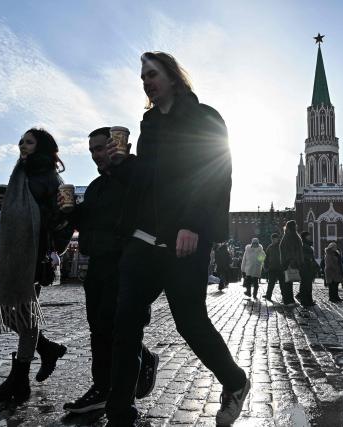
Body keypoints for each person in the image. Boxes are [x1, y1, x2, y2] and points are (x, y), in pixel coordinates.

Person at [105, 52, 249, 426]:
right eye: (142, 77)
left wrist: (192, 224)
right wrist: (120, 167)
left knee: (190, 321)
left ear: (172, 76)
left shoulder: (205, 118)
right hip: (143, 240)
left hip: (184, 239)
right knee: (125, 325)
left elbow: (214, 171)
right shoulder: (148, 126)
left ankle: (235, 381)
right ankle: (119, 413)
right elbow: (149, 183)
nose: (146, 82)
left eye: (152, 74)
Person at [61, 127, 158, 414]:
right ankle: (102, 387)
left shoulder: (136, 173)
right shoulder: (95, 186)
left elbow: (150, 203)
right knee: (99, 329)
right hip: (98, 263)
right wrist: (69, 212)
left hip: (127, 261)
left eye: (101, 148)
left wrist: (124, 165)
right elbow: (87, 219)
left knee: (121, 330)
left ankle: (118, 395)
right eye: (91, 150)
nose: (96, 155)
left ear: (118, 146)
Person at [0, 128, 72, 405]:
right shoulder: (19, 174)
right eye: (21, 141)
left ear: (42, 146)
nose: (22, 145)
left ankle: (19, 380)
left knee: (24, 314)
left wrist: (51, 248)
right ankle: (47, 349)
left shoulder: (49, 177)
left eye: (29, 142)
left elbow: (61, 219)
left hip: (32, 255)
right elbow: (8, 222)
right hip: (12, 255)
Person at [279, 220, 303, 307]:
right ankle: (288, 301)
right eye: (295, 225)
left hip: (289, 262)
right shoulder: (291, 236)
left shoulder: (290, 235)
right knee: (288, 282)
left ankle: (290, 300)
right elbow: (288, 250)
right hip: (290, 262)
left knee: (289, 281)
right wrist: (292, 260)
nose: (296, 226)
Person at [297, 231, 319, 307]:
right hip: (305, 268)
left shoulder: (308, 245)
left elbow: (311, 257)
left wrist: (315, 263)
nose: (309, 237)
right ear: (304, 237)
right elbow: (303, 256)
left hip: (309, 268)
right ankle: (304, 301)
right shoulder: (303, 245)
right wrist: (310, 259)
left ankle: (309, 300)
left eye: (309, 235)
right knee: (305, 285)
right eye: (308, 236)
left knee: (308, 285)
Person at [263, 233, 284, 302]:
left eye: (275, 238)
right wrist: (266, 266)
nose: (274, 240)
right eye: (273, 239)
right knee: (271, 283)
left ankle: (284, 296)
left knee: (282, 284)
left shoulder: (281, 246)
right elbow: (266, 257)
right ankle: (268, 295)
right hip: (272, 268)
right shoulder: (270, 247)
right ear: (271, 239)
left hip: (281, 268)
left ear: (278, 239)